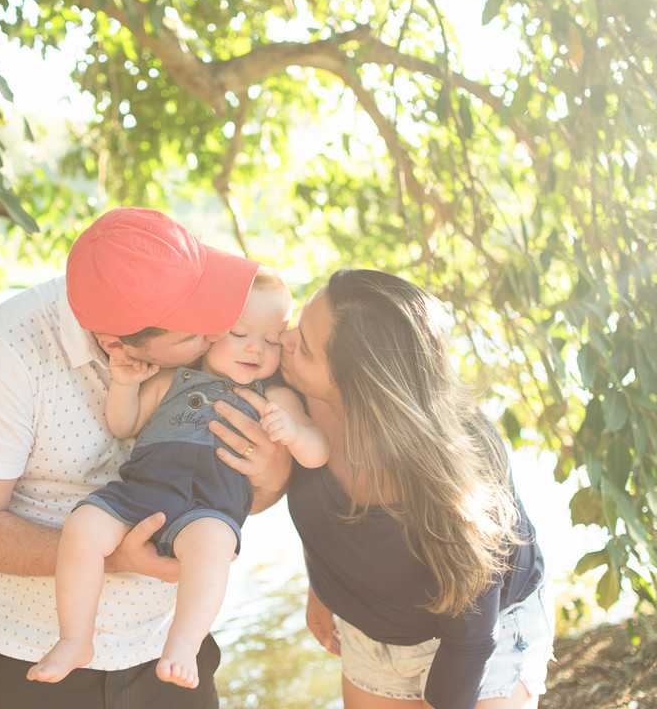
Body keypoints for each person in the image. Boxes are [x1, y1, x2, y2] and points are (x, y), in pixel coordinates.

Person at [0, 207, 294, 709]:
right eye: (195, 335)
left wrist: (271, 475)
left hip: (168, 655)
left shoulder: (194, 311)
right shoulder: (4, 356)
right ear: (114, 343)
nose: (217, 336)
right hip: (29, 662)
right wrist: (114, 556)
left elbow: (233, 497)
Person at [207, 269, 554, 709]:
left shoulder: (454, 474)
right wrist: (323, 587)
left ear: (358, 387)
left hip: (485, 638)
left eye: (306, 346)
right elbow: (301, 508)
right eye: (298, 324)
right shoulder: (288, 393)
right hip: (371, 634)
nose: (285, 340)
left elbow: (470, 639)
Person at [28, 267, 329, 689]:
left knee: (215, 547)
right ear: (208, 332)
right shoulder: (172, 379)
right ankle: (75, 637)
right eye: (239, 334)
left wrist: (294, 433)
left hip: (208, 509)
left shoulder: (275, 397)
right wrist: (125, 385)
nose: (256, 349)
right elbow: (123, 424)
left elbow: (317, 453)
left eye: (272, 340)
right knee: (83, 524)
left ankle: (185, 642)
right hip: (141, 494)